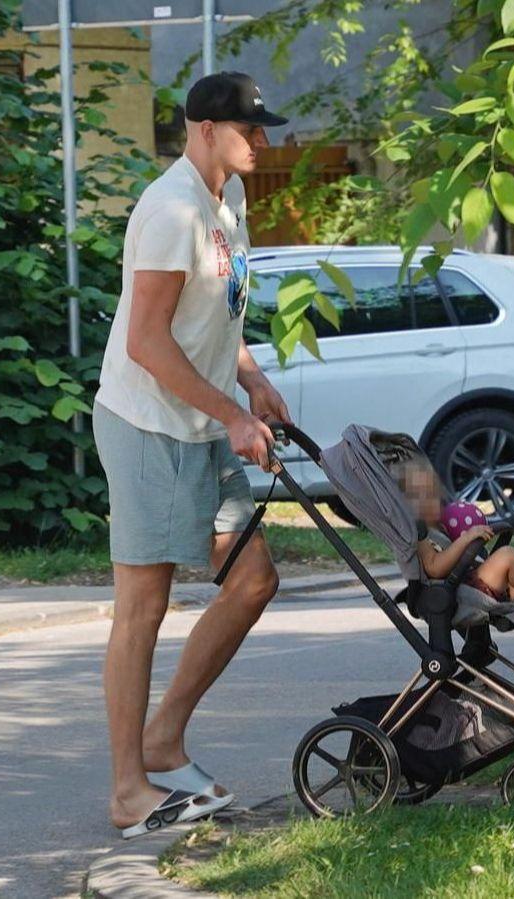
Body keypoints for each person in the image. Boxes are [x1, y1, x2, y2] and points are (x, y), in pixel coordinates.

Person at [91, 72, 292, 839]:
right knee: (140, 608)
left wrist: (252, 380)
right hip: (147, 427)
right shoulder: (171, 209)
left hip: (202, 424)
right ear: (204, 128)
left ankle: (163, 738)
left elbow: (214, 315)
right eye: (251, 129)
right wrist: (232, 416)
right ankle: (126, 790)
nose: (263, 141)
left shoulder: (227, 201)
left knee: (251, 580)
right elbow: (145, 341)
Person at [396, 458, 514, 603]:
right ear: (403, 504)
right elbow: (434, 568)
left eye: (430, 493)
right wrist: (467, 538)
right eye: (417, 496)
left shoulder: (439, 526)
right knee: (506, 555)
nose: (427, 500)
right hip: (459, 590)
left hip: (468, 579)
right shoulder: (419, 533)